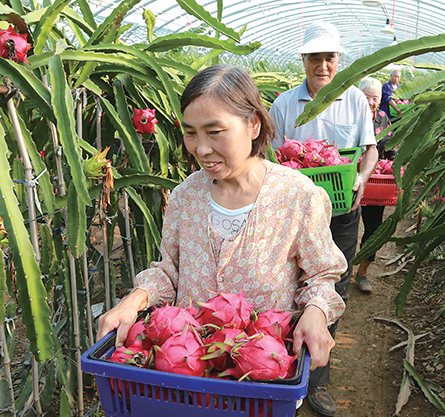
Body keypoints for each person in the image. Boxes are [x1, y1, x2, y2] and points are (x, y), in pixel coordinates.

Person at [96, 64, 347, 378]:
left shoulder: (298, 197)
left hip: (259, 376)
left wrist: (316, 311)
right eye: (190, 133)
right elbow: (169, 270)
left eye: (215, 132)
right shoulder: (185, 196)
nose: (201, 149)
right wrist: (134, 299)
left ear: (253, 125)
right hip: (185, 372)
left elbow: (322, 275)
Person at [269, 20, 378, 416]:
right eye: (314, 57)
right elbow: (270, 157)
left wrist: (362, 178)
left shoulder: (353, 100)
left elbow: (369, 150)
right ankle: (279, 366)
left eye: (329, 57)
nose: (322, 65)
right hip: (292, 215)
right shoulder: (282, 104)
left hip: (341, 212)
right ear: (304, 60)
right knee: (289, 282)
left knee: (332, 289)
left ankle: (317, 379)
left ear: (338, 59)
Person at [355, 77, 396, 294]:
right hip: (349, 182)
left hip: (376, 182)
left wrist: (393, 164)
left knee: (373, 229)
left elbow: (388, 151)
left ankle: (362, 272)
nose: (371, 102)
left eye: (375, 98)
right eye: (367, 97)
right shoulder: (348, 116)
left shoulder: (383, 118)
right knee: (344, 227)